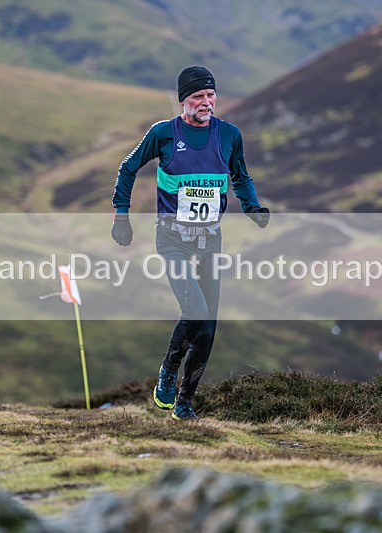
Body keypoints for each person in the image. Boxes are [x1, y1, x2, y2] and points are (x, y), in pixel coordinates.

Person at [111, 65, 270, 421]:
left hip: (210, 242)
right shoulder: (164, 133)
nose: (206, 102)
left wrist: (252, 207)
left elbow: (241, 176)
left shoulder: (229, 135)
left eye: (211, 95)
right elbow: (127, 167)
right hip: (173, 240)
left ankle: (184, 404)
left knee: (208, 328)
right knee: (195, 312)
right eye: (198, 96)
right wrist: (121, 216)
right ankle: (168, 369)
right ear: (184, 100)